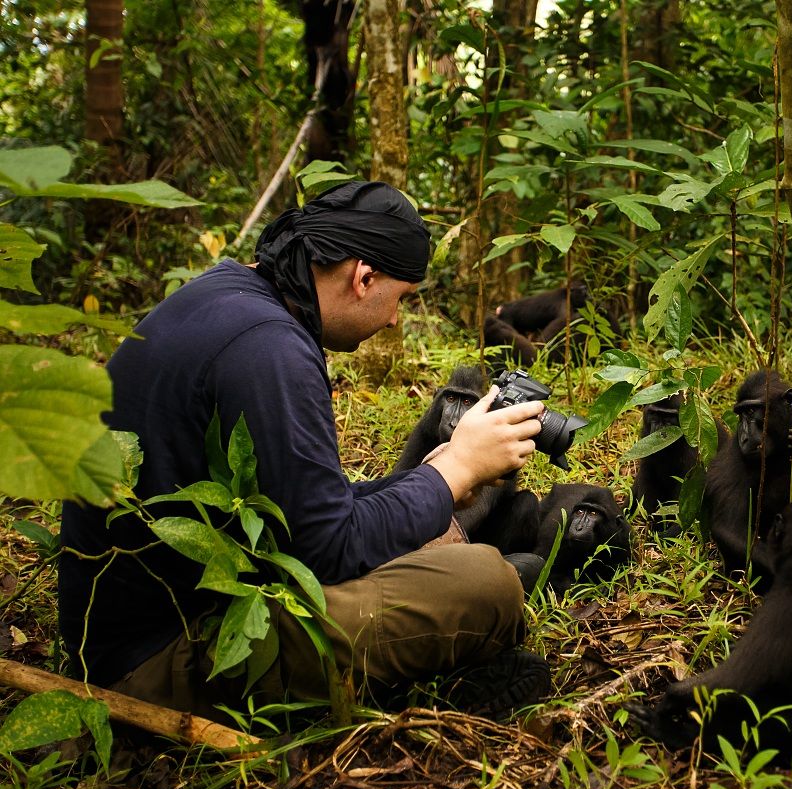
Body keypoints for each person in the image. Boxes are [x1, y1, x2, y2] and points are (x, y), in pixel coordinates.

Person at [59, 181, 551, 719]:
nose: (394, 321)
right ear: (363, 277)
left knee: (440, 540)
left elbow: (299, 508)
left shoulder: (229, 295)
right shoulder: (270, 348)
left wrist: (433, 481)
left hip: (140, 621)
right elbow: (326, 547)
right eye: (401, 300)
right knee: (488, 583)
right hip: (161, 660)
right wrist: (456, 468)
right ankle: (426, 678)